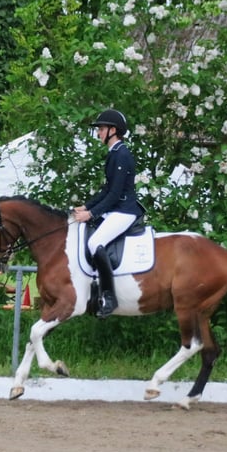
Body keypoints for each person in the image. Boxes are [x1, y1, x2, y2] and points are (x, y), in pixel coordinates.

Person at [73, 109, 143, 318]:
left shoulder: (122, 154)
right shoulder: (114, 153)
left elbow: (114, 194)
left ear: (113, 130)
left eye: (102, 129)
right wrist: (86, 206)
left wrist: (92, 214)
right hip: (116, 209)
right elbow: (106, 190)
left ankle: (109, 297)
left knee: (95, 243)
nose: (99, 133)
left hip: (125, 211)